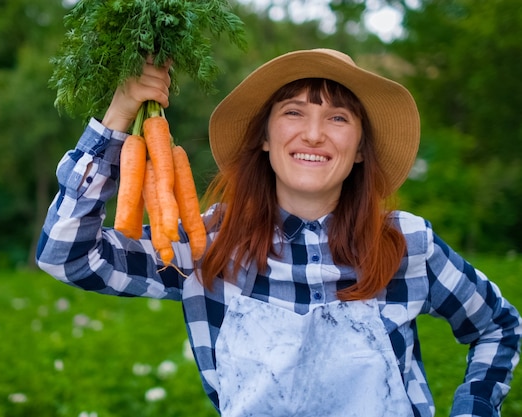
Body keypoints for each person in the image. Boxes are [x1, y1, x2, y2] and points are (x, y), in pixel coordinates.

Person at [36, 49, 521, 416]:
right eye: (293, 112)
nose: (313, 134)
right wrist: (120, 114)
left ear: (358, 151)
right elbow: (66, 255)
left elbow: (499, 326)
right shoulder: (207, 246)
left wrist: (475, 409)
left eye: (337, 118)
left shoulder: (406, 244)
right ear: (265, 139)